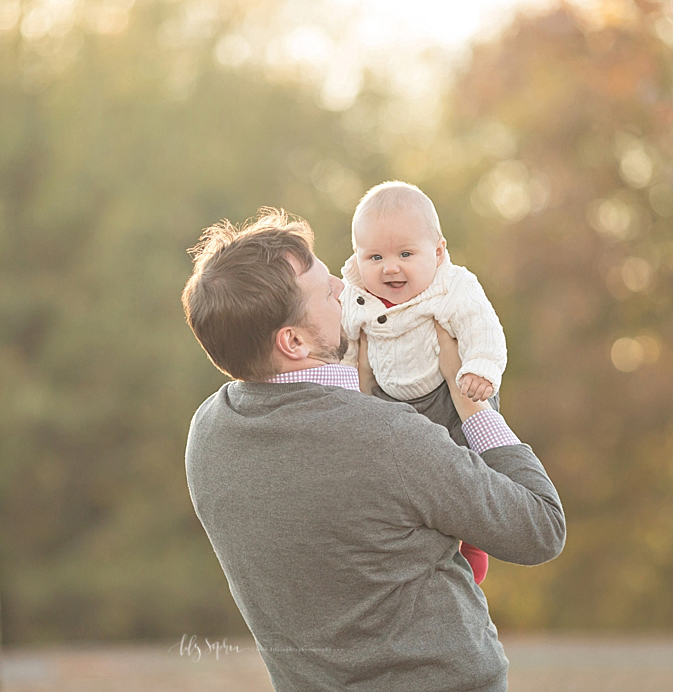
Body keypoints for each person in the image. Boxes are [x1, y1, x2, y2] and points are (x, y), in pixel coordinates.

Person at [180, 208, 565, 692]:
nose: (346, 289)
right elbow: (540, 528)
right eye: (325, 291)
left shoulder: (208, 435)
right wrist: (474, 410)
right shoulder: (388, 439)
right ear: (293, 341)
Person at [340, 181, 508, 583]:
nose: (390, 267)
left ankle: (473, 540)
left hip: (450, 397)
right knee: (396, 480)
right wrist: (346, 393)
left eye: (405, 254)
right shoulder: (355, 296)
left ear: (438, 252)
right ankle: (411, 540)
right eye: (375, 256)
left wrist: (481, 369)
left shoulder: (453, 287)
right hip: (387, 399)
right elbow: (345, 347)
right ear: (357, 258)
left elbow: (482, 328)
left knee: (466, 468)